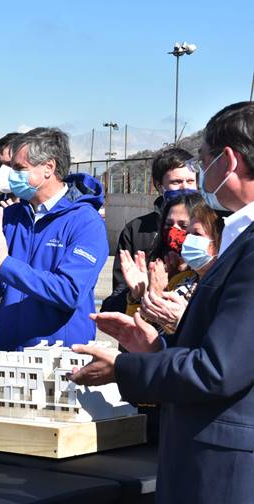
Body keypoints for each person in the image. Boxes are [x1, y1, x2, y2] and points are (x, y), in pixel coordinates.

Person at [72, 102, 254, 503]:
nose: (200, 176)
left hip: (224, 469)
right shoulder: (241, 237)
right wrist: (155, 347)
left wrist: (126, 366)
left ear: (227, 161)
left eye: (203, 162)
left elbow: (218, 370)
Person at [0, 127, 108, 350]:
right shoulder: (9, 217)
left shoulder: (85, 222)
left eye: (18, 168)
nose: (10, 175)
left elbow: (70, 292)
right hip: (8, 353)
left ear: (49, 167)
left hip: (59, 357)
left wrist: (6, 264)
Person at [101, 148, 196, 313]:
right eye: (176, 182)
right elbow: (118, 294)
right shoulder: (136, 230)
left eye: (190, 181)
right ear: (160, 186)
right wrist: (138, 292)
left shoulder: (210, 227)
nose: (185, 188)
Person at [140, 200, 223, 334]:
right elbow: (142, 332)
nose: (188, 240)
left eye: (196, 234)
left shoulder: (226, 288)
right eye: (188, 234)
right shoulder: (183, 281)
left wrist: (180, 322)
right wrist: (147, 293)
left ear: (220, 241)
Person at [120, 192, 202, 317]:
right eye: (168, 225)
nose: (173, 232)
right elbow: (136, 329)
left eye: (184, 226)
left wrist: (158, 295)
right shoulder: (156, 268)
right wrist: (139, 295)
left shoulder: (204, 277)